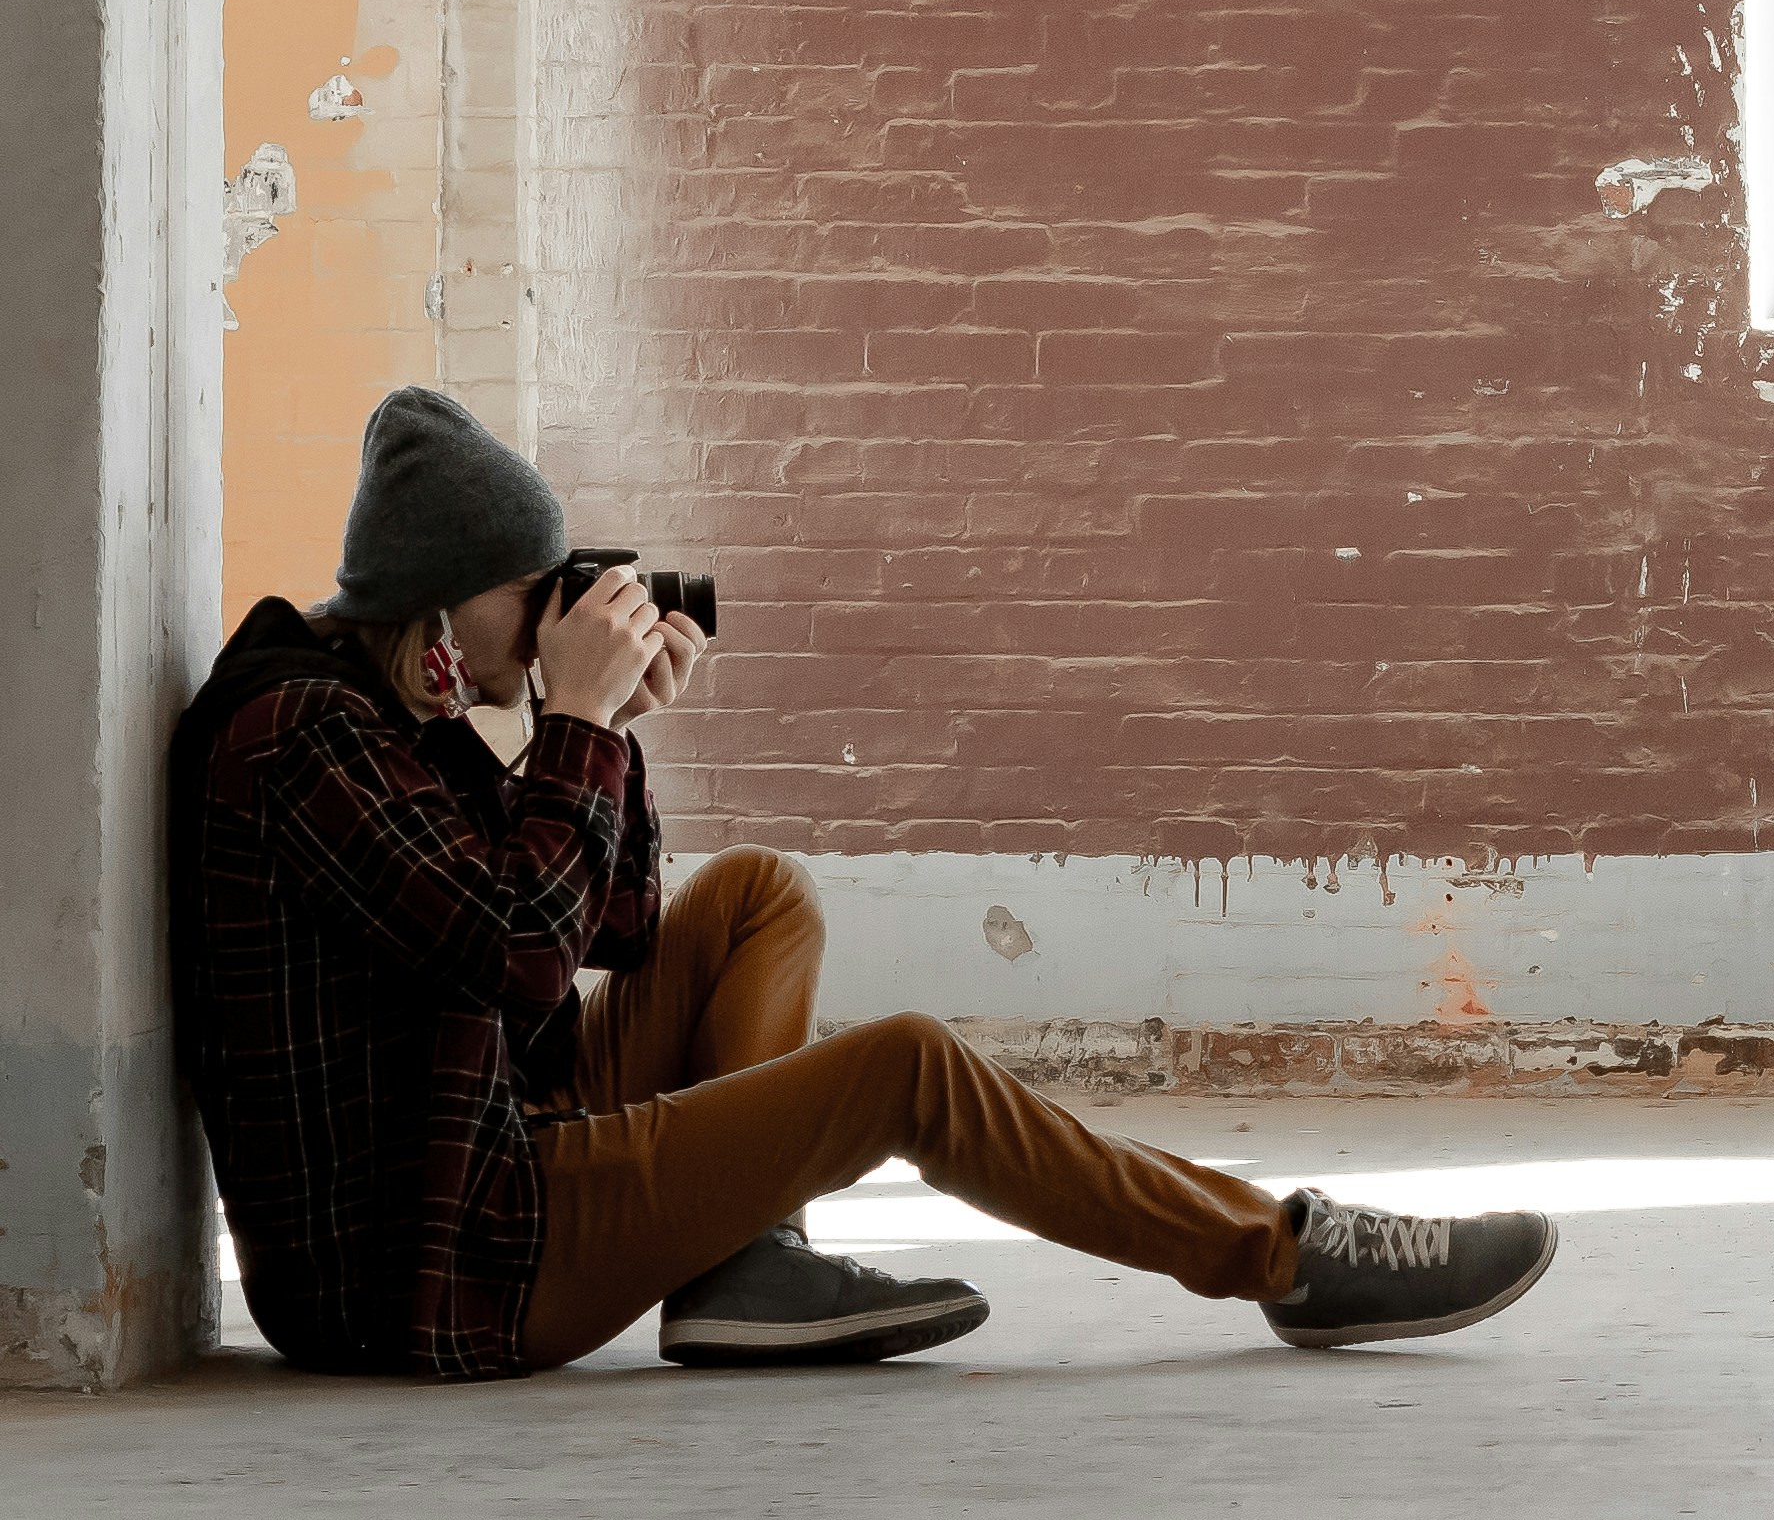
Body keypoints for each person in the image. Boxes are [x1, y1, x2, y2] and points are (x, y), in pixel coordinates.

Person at [169, 386, 1554, 1375]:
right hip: (438, 1260)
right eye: (529, 593)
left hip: (477, 1132)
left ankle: (748, 1265)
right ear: (435, 603)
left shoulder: (380, 709)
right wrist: (573, 727)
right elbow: (523, 951)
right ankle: (1282, 1255)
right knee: (902, 1067)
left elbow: (622, 926)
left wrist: (616, 733)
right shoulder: (298, 739)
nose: (548, 623)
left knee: (755, 895)